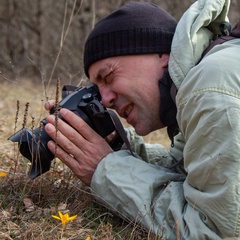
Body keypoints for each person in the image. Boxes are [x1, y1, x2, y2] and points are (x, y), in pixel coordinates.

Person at [44, 0, 240, 239]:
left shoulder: (210, 87)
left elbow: (214, 230)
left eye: (108, 76)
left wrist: (106, 170)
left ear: (161, 54)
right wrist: (116, 142)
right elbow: (183, 170)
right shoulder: (200, 83)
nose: (105, 100)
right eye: (97, 89)